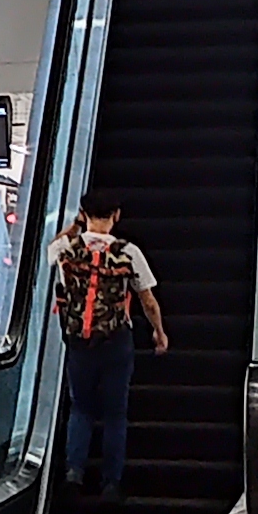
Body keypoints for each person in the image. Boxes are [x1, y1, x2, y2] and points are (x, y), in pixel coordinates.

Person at [50, 192, 169, 498]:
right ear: (116, 215)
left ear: (83, 213)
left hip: (78, 340)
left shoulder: (65, 247)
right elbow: (148, 300)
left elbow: (52, 248)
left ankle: (74, 473)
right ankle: (111, 483)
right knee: (116, 413)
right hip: (116, 340)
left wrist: (76, 225)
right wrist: (159, 332)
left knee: (81, 408)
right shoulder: (129, 252)